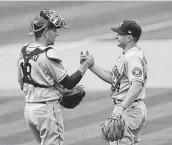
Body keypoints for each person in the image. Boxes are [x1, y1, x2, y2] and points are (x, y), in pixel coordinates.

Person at [17, 9, 94, 145]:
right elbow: (69, 83)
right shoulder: (48, 55)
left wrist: (52, 88)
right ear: (45, 32)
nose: (56, 33)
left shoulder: (24, 51)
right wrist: (85, 65)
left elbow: (22, 83)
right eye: (54, 30)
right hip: (46, 112)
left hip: (29, 110)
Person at [82, 20, 148, 145]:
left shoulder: (132, 58)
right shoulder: (129, 55)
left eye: (120, 34)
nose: (116, 36)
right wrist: (91, 66)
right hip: (133, 108)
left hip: (129, 110)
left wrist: (121, 107)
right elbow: (114, 79)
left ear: (129, 37)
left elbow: (137, 84)